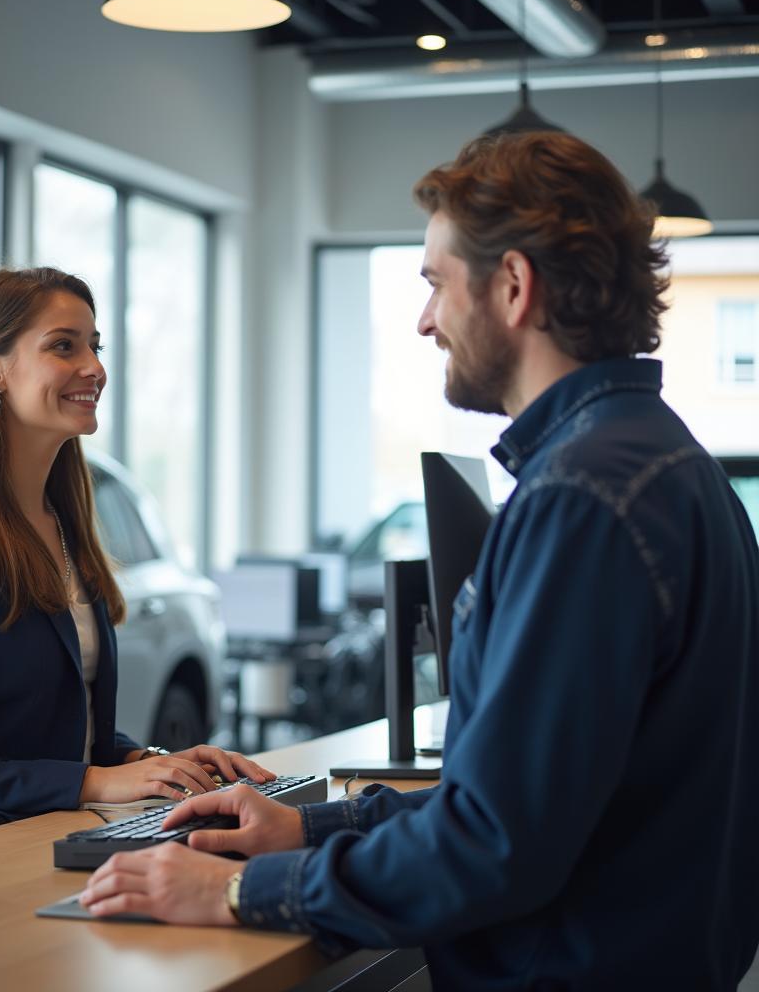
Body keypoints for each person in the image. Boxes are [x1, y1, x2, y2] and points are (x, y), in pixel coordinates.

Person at [80, 134, 759, 988]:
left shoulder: (578, 503)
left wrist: (244, 890)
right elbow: (527, 801)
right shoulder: (674, 467)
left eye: (437, 283)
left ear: (513, 286)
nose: (425, 319)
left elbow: (494, 847)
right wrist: (311, 830)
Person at [0, 267, 271, 856]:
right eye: (64, 346)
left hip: (39, 847)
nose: (95, 368)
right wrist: (95, 781)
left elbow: (54, 735)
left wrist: (152, 764)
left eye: (94, 346)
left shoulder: (65, 524)